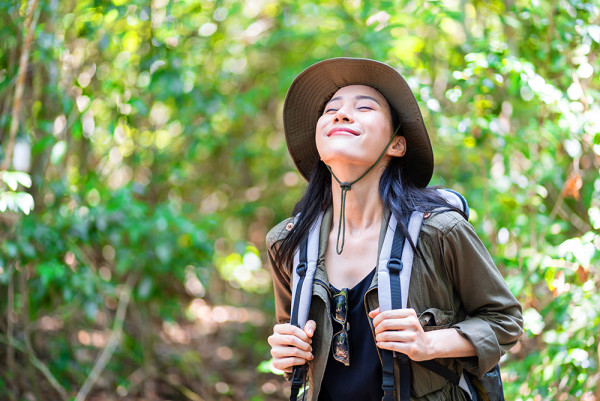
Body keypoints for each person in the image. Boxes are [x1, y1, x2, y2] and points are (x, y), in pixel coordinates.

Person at [266, 57, 523, 401]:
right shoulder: (288, 242)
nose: (341, 114)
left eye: (364, 107)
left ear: (396, 144)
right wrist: (287, 354)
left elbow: (505, 321)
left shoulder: (440, 232)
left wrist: (429, 343)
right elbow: (294, 347)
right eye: (330, 110)